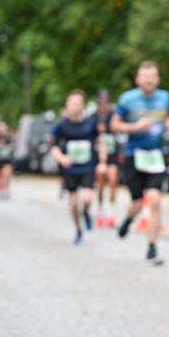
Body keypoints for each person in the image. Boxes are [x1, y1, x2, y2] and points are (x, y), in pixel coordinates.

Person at [111, 61, 169, 265]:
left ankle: (152, 248)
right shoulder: (127, 99)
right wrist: (135, 127)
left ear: (157, 79)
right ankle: (128, 220)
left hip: (155, 155)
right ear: (138, 80)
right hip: (133, 155)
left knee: (155, 200)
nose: (149, 81)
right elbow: (114, 124)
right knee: (138, 203)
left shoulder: (165, 97)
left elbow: (167, 117)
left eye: (152, 77)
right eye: (145, 77)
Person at [50, 90, 107, 244]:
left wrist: (102, 162)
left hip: (88, 165)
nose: (75, 106)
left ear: (83, 105)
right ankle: (78, 229)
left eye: (78, 103)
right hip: (70, 168)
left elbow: (100, 141)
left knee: (87, 198)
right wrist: (62, 158)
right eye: (72, 103)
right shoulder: (61, 126)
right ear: (67, 105)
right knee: (74, 203)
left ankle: (87, 213)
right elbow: (53, 147)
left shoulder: (90, 123)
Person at [95, 89, 122, 228]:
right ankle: (100, 211)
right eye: (102, 101)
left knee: (113, 180)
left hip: (112, 154)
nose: (104, 104)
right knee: (100, 182)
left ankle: (111, 213)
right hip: (99, 155)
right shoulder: (94, 116)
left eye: (106, 101)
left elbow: (120, 129)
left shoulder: (113, 115)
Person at [0, 122, 15, 201]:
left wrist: (7, 147)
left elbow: (13, 145)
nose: (3, 131)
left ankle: (5, 190)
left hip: (7, 159)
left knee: (6, 175)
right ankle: (0, 190)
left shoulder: (8, 137)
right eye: (1, 130)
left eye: (4, 130)